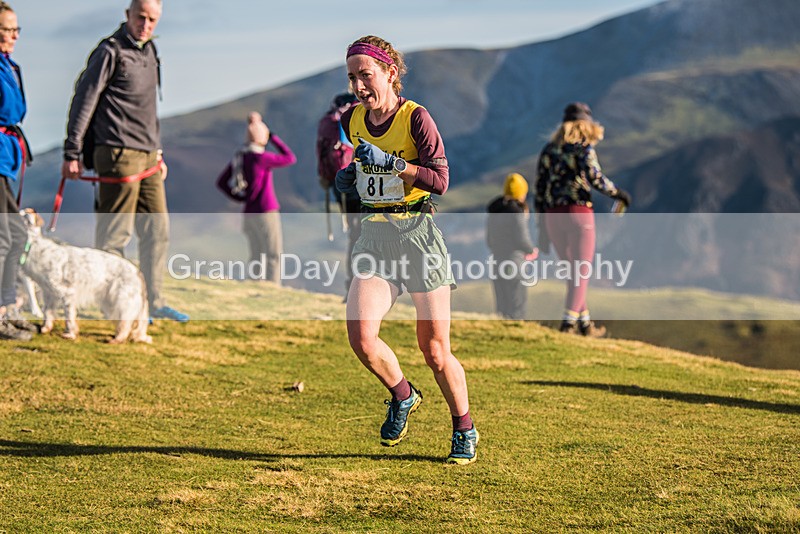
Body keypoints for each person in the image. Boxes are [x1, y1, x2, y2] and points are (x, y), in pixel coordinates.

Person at [335, 36, 479, 465]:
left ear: (390, 73)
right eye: (352, 77)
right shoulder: (352, 118)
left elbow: (440, 181)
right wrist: (349, 176)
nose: (359, 86)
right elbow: (360, 165)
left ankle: (464, 429)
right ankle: (403, 395)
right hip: (375, 236)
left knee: (434, 350)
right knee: (361, 337)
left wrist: (396, 164)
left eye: (366, 75)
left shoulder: (416, 117)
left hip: (418, 234)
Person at [61, 0, 189, 323]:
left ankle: (151, 303)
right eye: (141, 17)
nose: (146, 25)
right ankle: (110, 308)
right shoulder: (109, 51)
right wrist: (72, 151)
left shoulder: (150, 53)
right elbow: (83, 99)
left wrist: (157, 151)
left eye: (152, 19)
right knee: (114, 236)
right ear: (127, 15)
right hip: (116, 153)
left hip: (148, 157)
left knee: (158, 230)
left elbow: (149, 112)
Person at [534, 102, 631, 336]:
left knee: (572, 272)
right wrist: (618, 194)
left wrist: (541, 226)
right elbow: (595, 178)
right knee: (581, 272)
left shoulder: (549, 150)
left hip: (552, 216)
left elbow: (539, 188)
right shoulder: (584, 149)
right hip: (579, 214)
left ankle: (585, 325)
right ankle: (568, 325)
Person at [216, 111, 296, 282]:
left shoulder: (240, 158)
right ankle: (272, 289)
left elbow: (222, 182)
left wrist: (241, 198)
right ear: (262, 137)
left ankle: (254, 286)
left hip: (248, 212)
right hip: (266, 211)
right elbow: (290, 158)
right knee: (273, 253)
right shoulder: (262, 158)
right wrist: (273, 137)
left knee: (256, 254)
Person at [0, 1, 36, 341]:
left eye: (15, 29)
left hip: (7, 159)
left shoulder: (9, 66)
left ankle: (7, 307)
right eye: (4, 30)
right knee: (5, 237)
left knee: (17, 236)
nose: (12, 36)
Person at [316, 92, 360, 299]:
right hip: (357, 182)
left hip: (337, 182)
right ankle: (361, 288)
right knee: (365, 234)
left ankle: (352, 286)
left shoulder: (327, 121)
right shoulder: (356, 115)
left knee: (356, 233)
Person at [486, 173, 538, 320]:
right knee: (517, 302)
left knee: (502, 305)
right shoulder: (517, 212)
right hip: (514, 262)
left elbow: (489, 240)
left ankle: (501, 333)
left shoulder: (494, 210)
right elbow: (521, 238)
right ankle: (516, 330)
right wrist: (531, 250)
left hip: (496, 262)